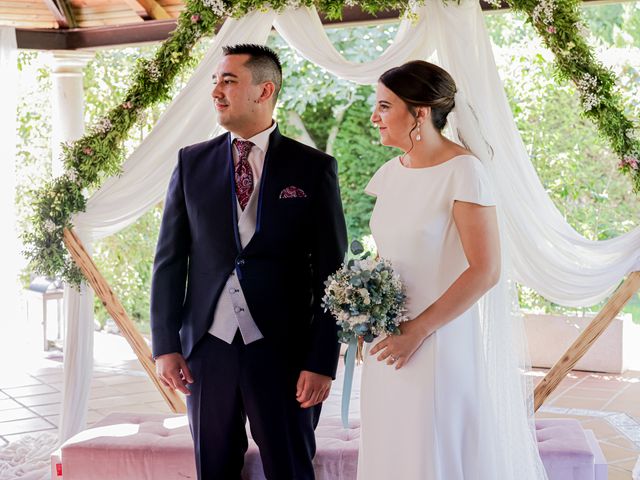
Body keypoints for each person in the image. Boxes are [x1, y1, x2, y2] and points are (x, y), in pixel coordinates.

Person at [150, 43, 347, 480]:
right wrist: (165, 345)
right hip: (206, 351)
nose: (216, 90)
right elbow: (169, 260)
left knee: (290, 468)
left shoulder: (313, 168)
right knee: (214, 469)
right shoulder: (191, 163)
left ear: (265, 90)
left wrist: (321, 359)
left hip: (286, 353)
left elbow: (334, 273)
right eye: (215, 81)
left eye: (229, 80)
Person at [359, 60, 546, 479]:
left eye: (385, 106)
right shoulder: (390, 174)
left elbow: (486, 269)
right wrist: (361, 303)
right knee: (391, 448)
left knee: (432, 451)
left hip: (436, 343)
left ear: (420, 113)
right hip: (388, 342)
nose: (374, 117)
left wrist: (418, 330)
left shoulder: (464, 171)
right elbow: (393, 255)